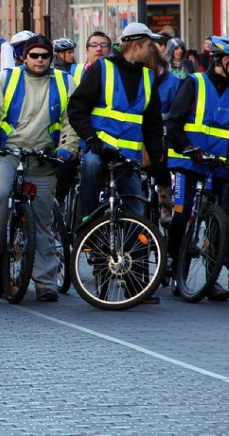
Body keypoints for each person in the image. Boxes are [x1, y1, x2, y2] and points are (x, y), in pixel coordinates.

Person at [67, 23, 169, 303]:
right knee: (89, 166)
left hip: (129, 158)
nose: (153, 50)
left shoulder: (148, 78)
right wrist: (92, 140)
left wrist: (158, 159)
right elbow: (76, 108)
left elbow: (152, 123)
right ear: (135, 45)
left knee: (137, 212)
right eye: (149, 45)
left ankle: (138, 284)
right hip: (100, 149)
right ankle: (87, 221)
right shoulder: (102, 69)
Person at [0, 35, 79, 302]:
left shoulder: (64, 82)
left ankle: (45, 282)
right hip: (8, 154)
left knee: (44, 221)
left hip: (44, 158)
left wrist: (68, 148)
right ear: (24, 57)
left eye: (44, 56)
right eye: (33, 56)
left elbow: (72, 120)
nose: (39, 60)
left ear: (51, 58)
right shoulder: (6, 80)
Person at [166, 35, 229, 301]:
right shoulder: (194, 83)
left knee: (217, 222)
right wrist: (187, 148)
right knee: (181, 215)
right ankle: (172, 263)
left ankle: (211, 278)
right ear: (223, 60)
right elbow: (174, 122)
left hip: (219, 165)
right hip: (186, 161)